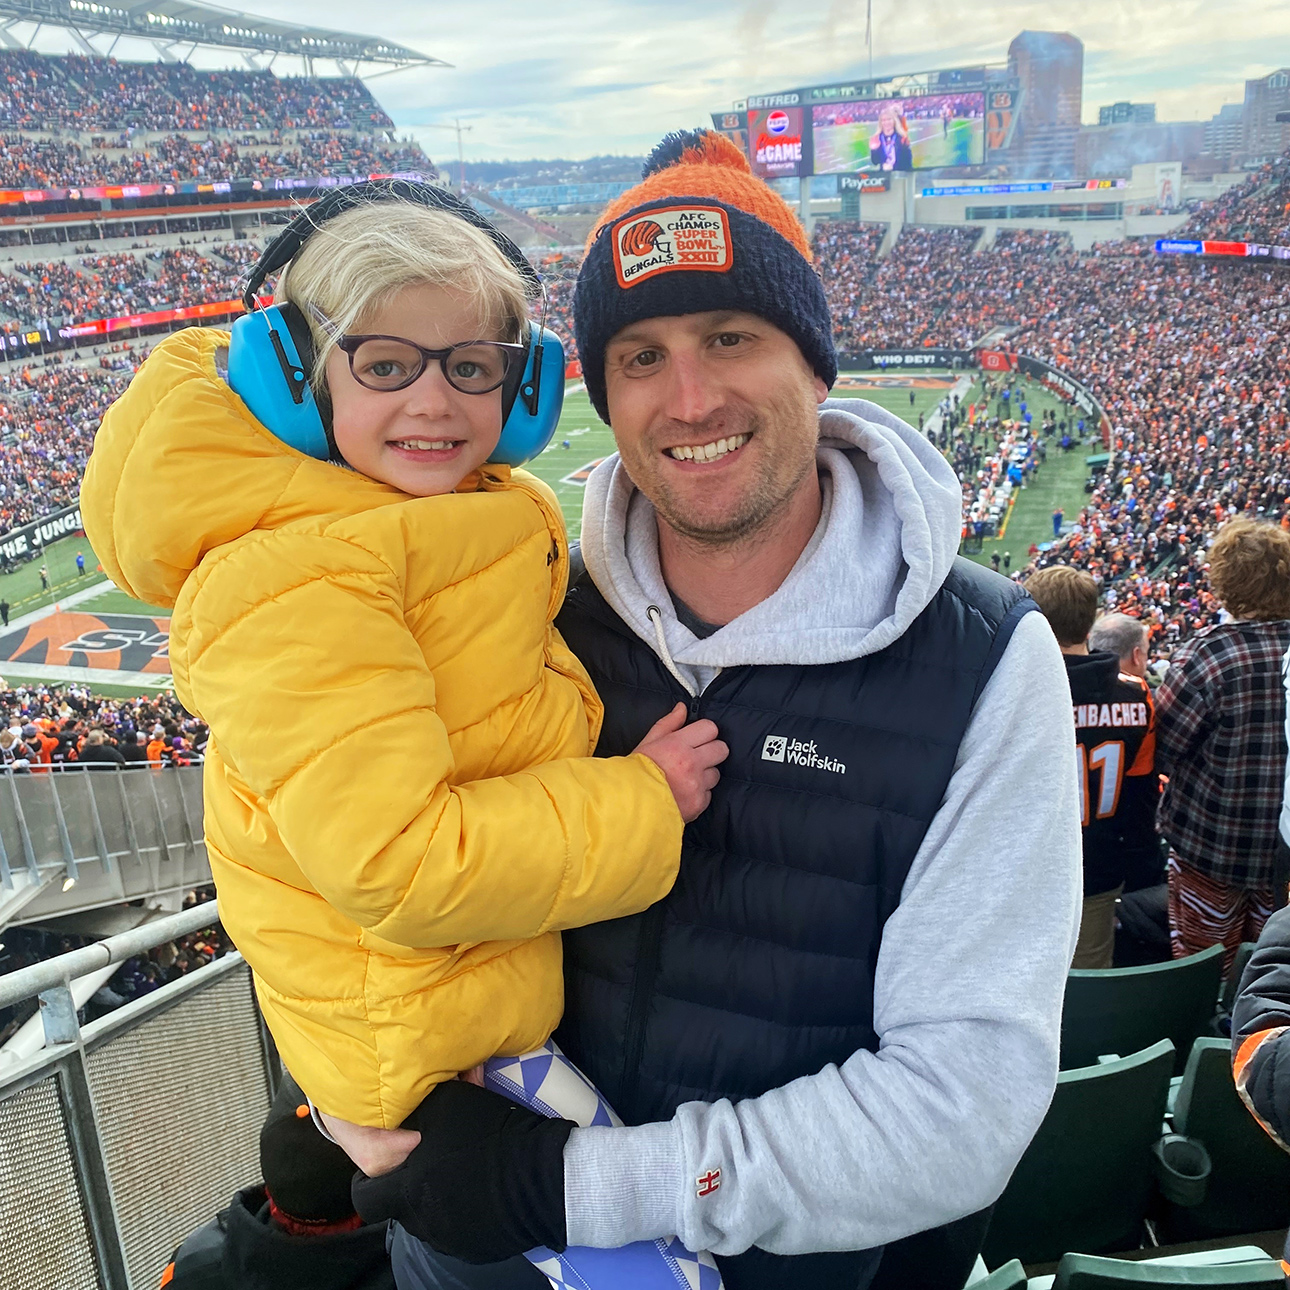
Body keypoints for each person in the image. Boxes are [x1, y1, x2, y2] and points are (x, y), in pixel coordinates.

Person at [378, 129, 1081, 1290]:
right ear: (603, 393)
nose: (689, 396)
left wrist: (576, 1188)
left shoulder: (986, 660)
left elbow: (966, 1101)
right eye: (641, 356)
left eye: (730, 337)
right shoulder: (517, 604)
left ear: (814, 363)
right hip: (478, 1257)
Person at [81, 183, 722, 1185]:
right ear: (296, 381)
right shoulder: (304, 577)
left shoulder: (399, 525)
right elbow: (402, 863)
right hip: (432, 1062)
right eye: (385, 364)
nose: (433, 400)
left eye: (471, 368)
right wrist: (642, 802)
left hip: (458, 1012)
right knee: (663, 1246)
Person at [1156, 517, 1290, 970]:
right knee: (1272, 971)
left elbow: (1166, 746)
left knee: (1205, 966)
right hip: (1283, 855)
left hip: (1210, 848)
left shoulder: (1208, 654)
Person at [1026, 569, 1157, 968]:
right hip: (1097, 863)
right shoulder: (1136, 695)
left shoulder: (1012, 688)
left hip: (1024, 861)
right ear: (1090, 620)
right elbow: (1140, 796)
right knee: (1086, 977)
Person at [868, 105, 912, 172]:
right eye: (883, 120)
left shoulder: (901, 137)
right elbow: (875, 162)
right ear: (880, 122)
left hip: (900, 174)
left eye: (889, 119)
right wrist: (874, 150)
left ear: (894, 121)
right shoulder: (877, 138)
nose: (886, 122)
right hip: (884, 175)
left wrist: (893, 167)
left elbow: (908, 162)